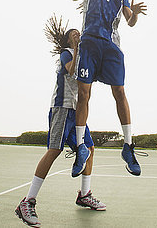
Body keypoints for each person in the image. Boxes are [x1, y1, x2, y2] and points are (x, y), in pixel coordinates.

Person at [71, 0, 147, 178]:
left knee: (120, 93)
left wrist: (135, 13)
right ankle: (80, 146)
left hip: (112, 47)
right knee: (84, 94)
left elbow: (130, 21)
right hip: (90, 42)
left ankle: (128, 145)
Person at [15, 16, 105, 228]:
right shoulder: (67, 53)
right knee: (54, 150)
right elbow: (71, 70)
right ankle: (27, 201)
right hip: (62, 108)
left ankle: (84, 194)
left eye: (78, 33)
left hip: (77, 112)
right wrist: (74, 46)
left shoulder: (85, 57)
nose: (77, 34)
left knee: (90, 148)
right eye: (73, 34)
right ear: (67, 41)